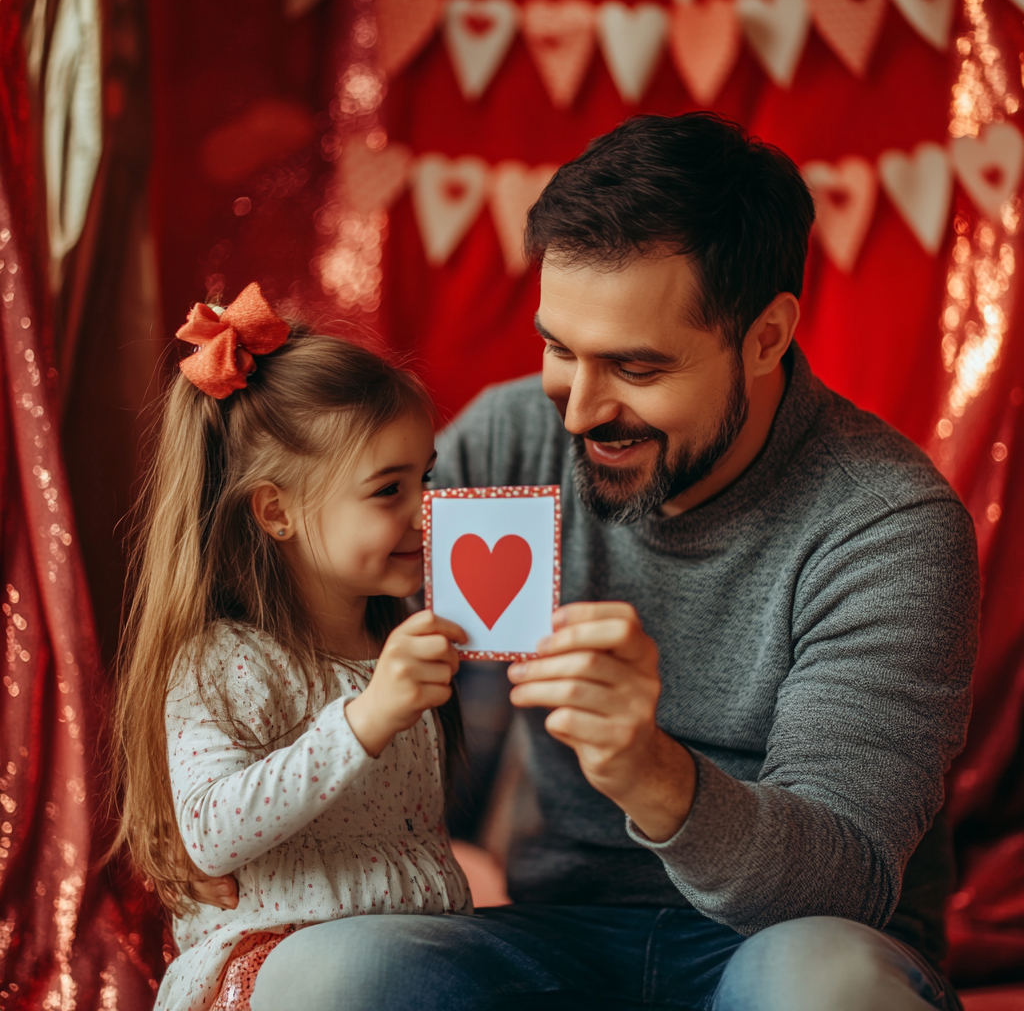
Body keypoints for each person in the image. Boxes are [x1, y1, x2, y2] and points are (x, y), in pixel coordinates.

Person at [207, 115, 978, 1010]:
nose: (576, 413)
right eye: (560, 349)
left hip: (784, 943)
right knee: (321, 977)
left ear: (767, 337)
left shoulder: (886, 525)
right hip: (554, 933)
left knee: (825, 985)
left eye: (637, 369)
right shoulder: (506, 444)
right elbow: (320, 650)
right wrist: (237, 816)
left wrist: (653, 773)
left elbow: (843, 883)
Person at [110, 283, 473, 1011]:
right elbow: (211, 833)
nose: (424, 512)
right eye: (387, 491)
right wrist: (366, 718)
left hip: (411, 965)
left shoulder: (394, 642)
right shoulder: (228, 660)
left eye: (424, 479)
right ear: (277, 511)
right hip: (284, 968)